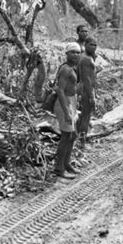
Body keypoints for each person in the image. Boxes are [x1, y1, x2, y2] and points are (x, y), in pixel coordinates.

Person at [53, 42, 82, 179]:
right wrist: (66, 113)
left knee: (73, 135)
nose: (76, 55)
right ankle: (59, 168)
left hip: (71, 102)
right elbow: (60, 90)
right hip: (64, 103)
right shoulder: (66, 69)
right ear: (67, 54)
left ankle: (66, 163)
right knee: (66, 136)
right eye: (73, 52)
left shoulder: (72, 68)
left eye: (78, 52)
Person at [76, 36, 98, 149]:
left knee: (83, 115)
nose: (93, 47)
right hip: (85, 90)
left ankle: (80, 139)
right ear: (85, 45)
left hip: (84, 89)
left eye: (95, 45)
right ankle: (82, 142)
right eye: (91, 45)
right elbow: (87, 79)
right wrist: (91, 96)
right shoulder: (85, 59)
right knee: (86, 116)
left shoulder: (87, 57)